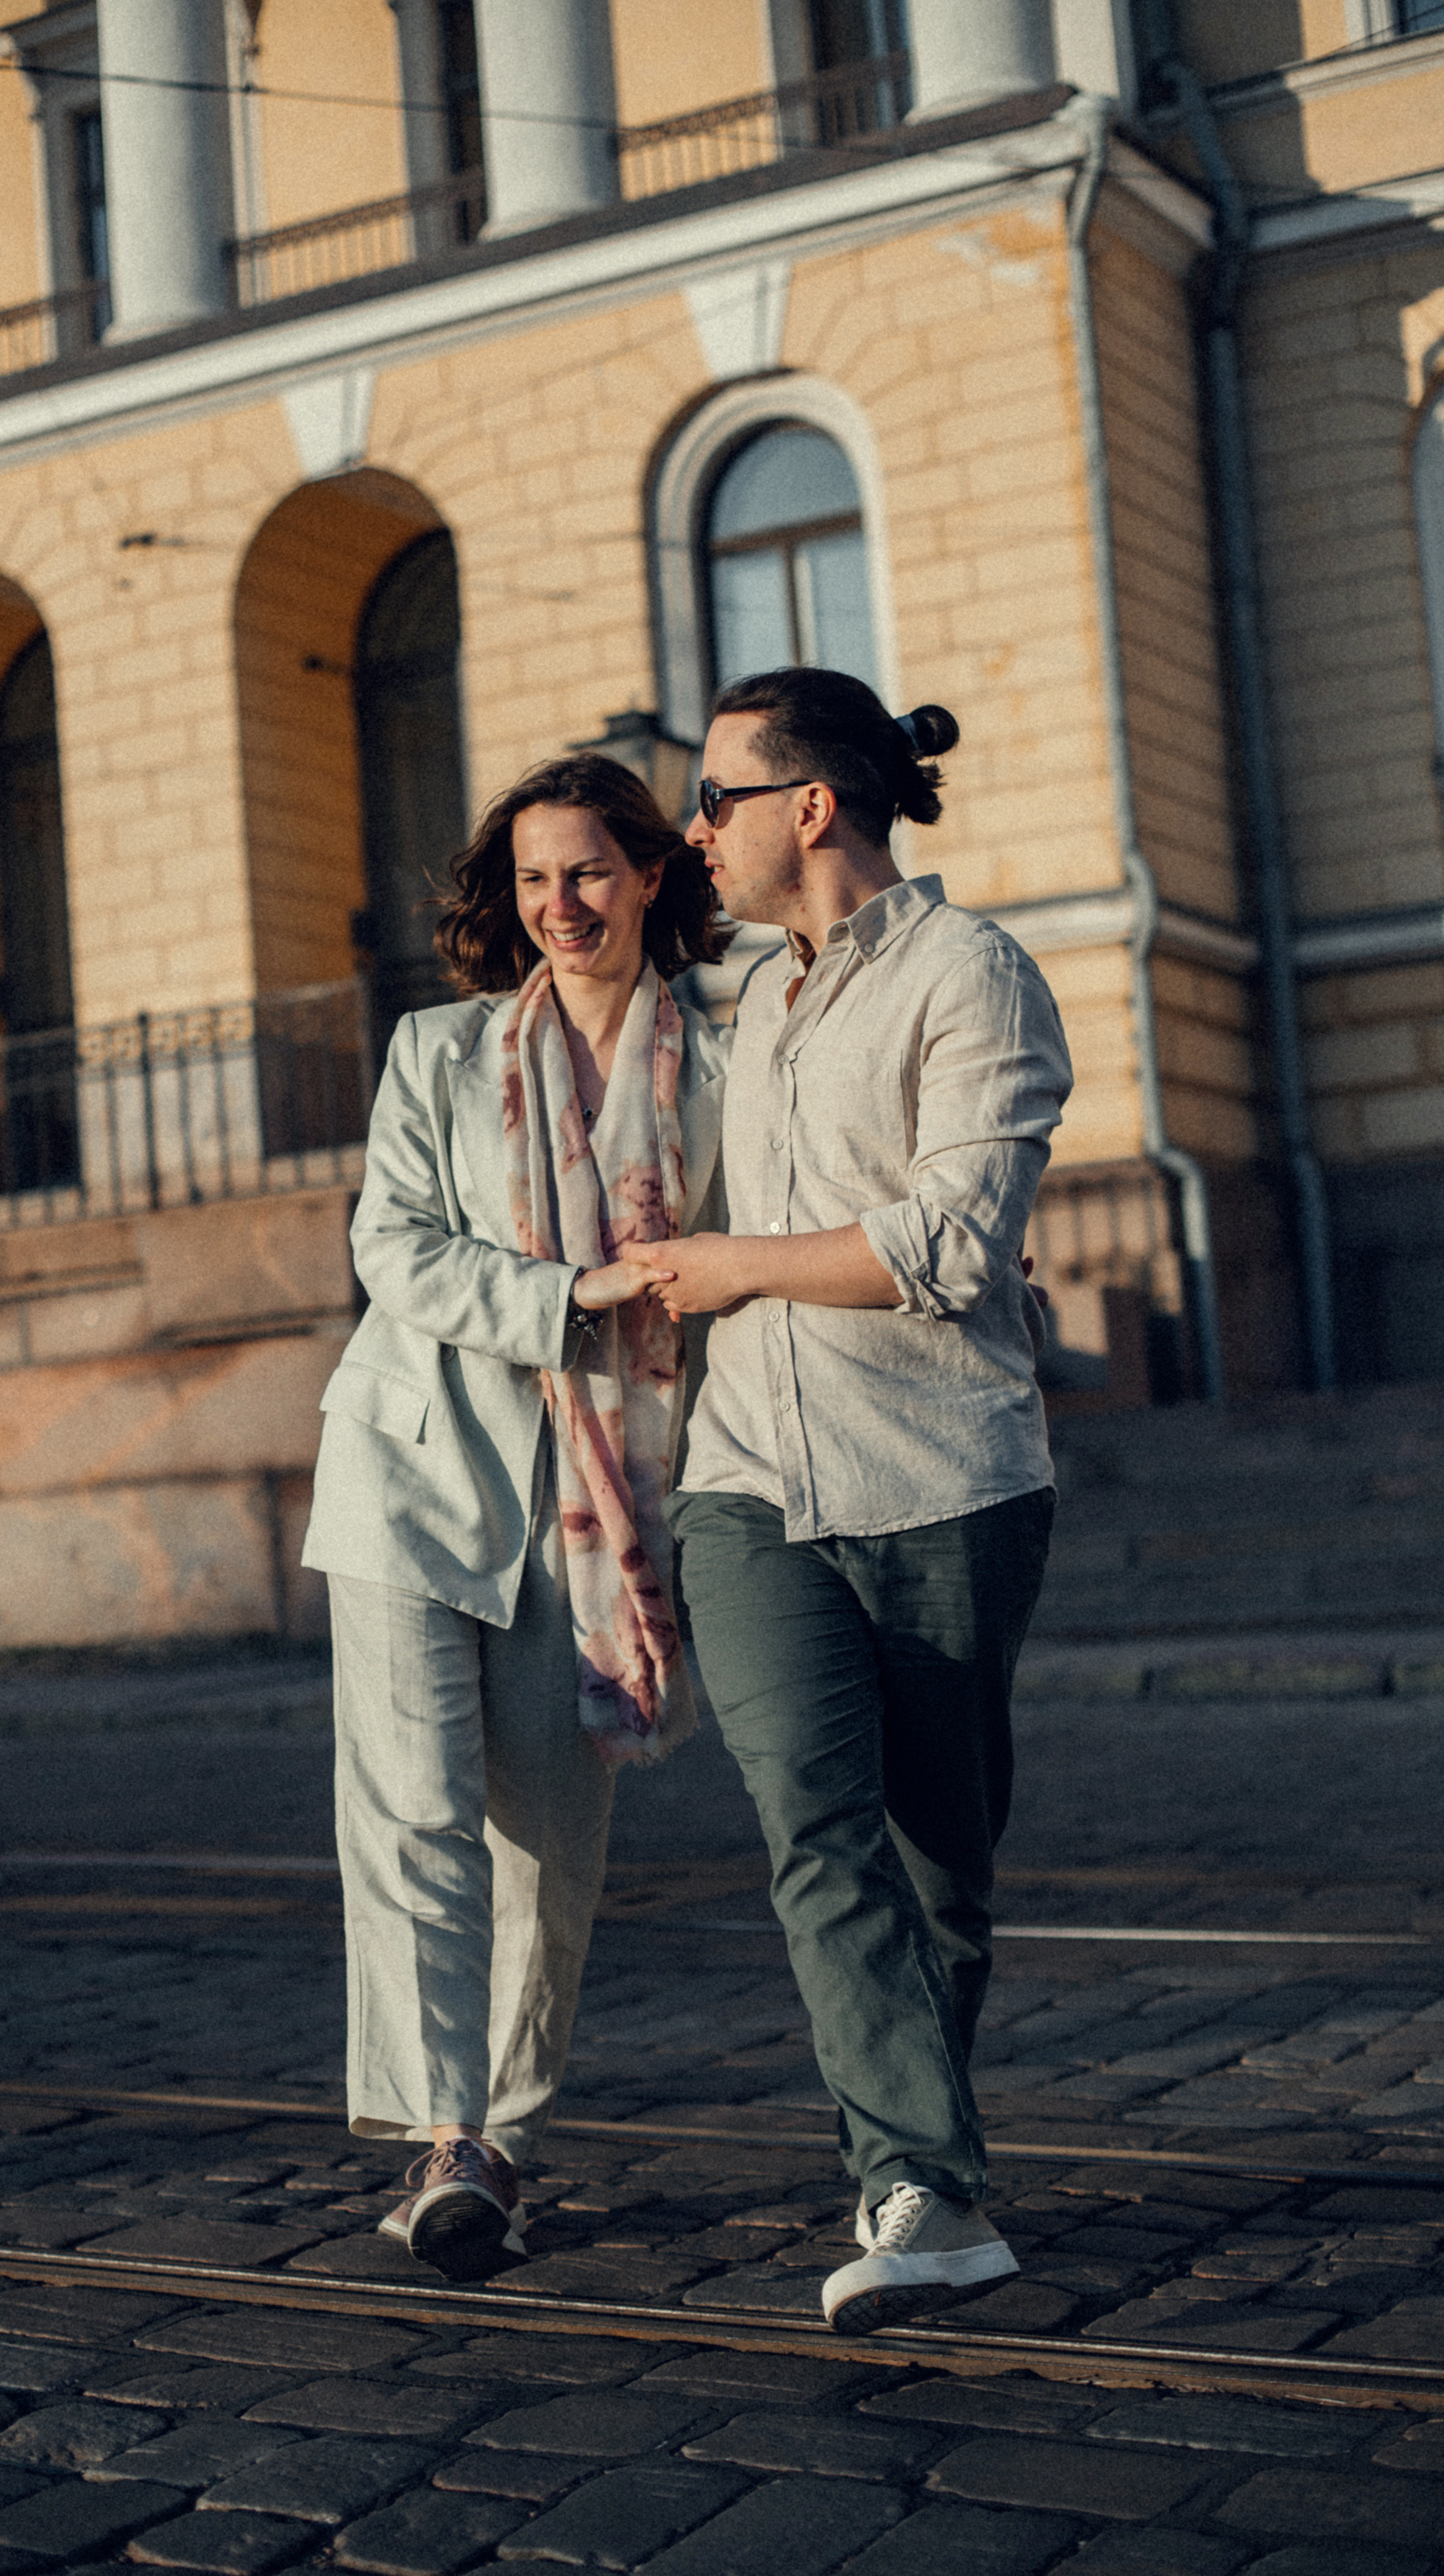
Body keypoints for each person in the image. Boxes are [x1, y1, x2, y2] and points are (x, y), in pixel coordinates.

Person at [623, 666, 1072, 2336]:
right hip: (746, 1478)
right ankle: (922, 2191)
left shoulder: (976, 978)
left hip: (942, 1475)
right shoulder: (754, 1000)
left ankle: (918, 2162)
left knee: (942, 1861)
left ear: (809, 805)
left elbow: (956, 1245)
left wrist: (730, 1263)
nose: (695, 834)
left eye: (717, 799)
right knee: (818, 1835)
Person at [301, 753, 730, 2282]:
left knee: (552, 1842)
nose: (563, 906)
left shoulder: (726, 1061)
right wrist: (570, 1292)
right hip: (415, 1469)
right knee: (415, 1808)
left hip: (603, 1503)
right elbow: (393, 1247)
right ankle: (447, 2141)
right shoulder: (438, 1051)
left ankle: (511, 2125)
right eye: (536, 879)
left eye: (593, 872)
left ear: (654, 875)